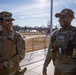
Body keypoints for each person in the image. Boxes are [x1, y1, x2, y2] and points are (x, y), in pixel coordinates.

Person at [42, 8, 76, 75]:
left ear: (71, 18)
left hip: (71, 70)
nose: (60, 19)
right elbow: (50, 51)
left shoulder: (74, 33)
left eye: (63, 17)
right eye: (59, 17)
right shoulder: (55, 34)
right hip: (57, 69)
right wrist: (45, 66)